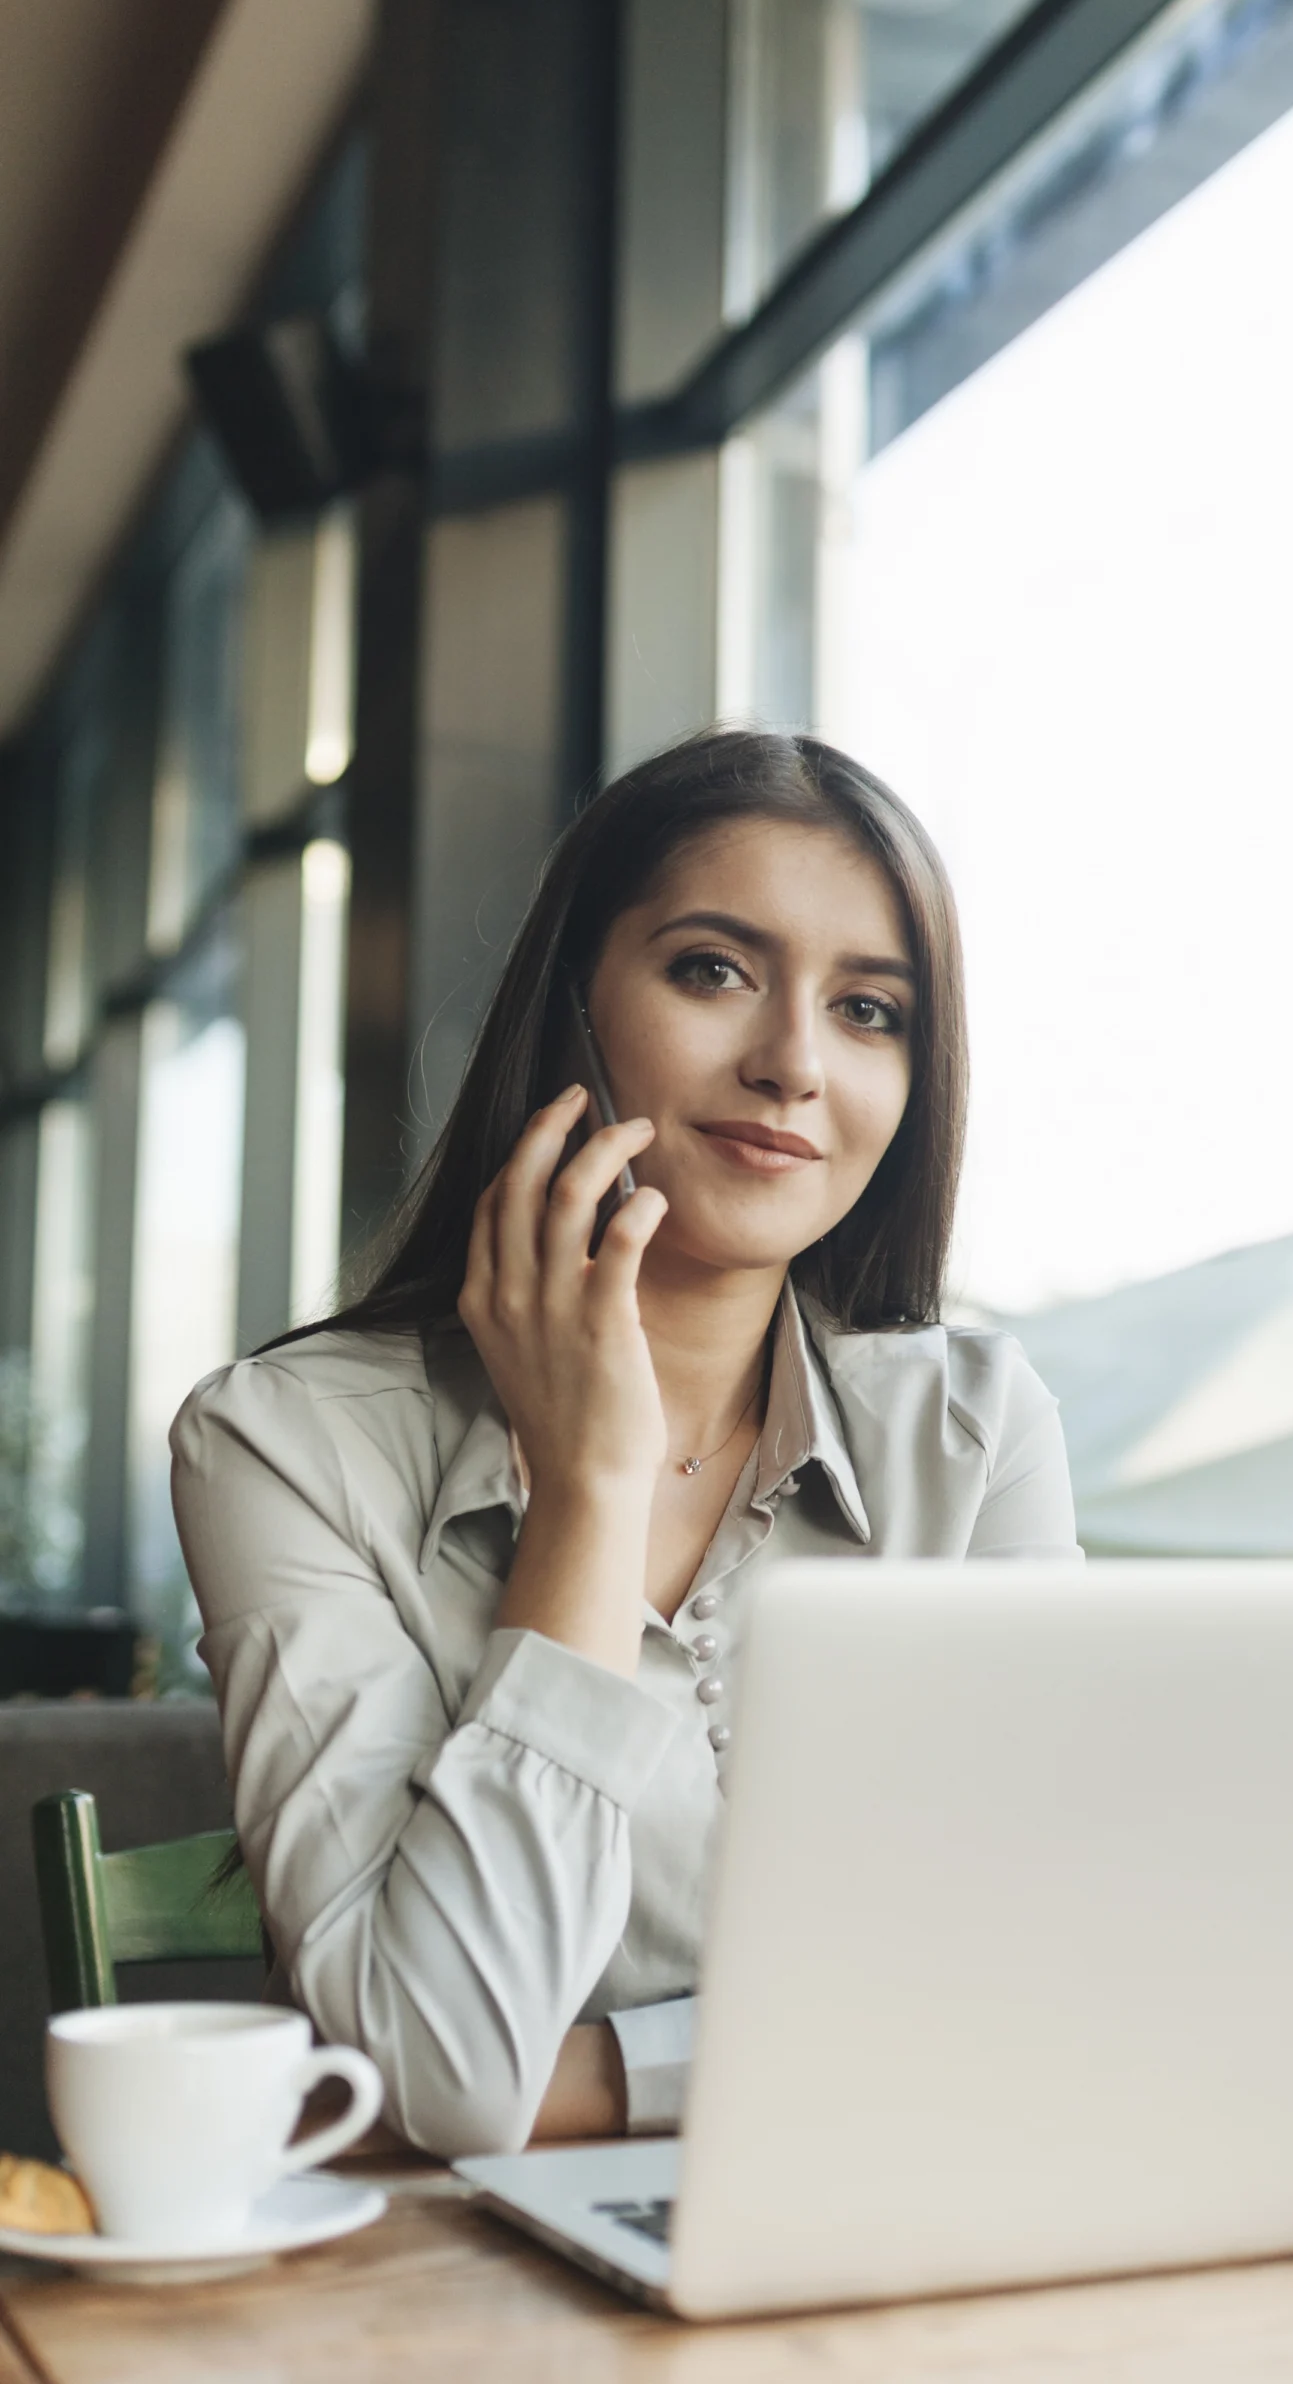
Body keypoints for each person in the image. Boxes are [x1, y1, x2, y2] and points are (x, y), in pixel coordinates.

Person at [171, 727, 1079, 2158]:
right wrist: (588, 1492)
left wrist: (588, 2082)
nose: (791, 1065)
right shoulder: (282, 1446)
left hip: (910, 2221)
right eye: (713, 971)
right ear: (575, 1007)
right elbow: (441, 2072)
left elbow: (1056, 1978)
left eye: (867, 1009)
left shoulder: (972, 1433)